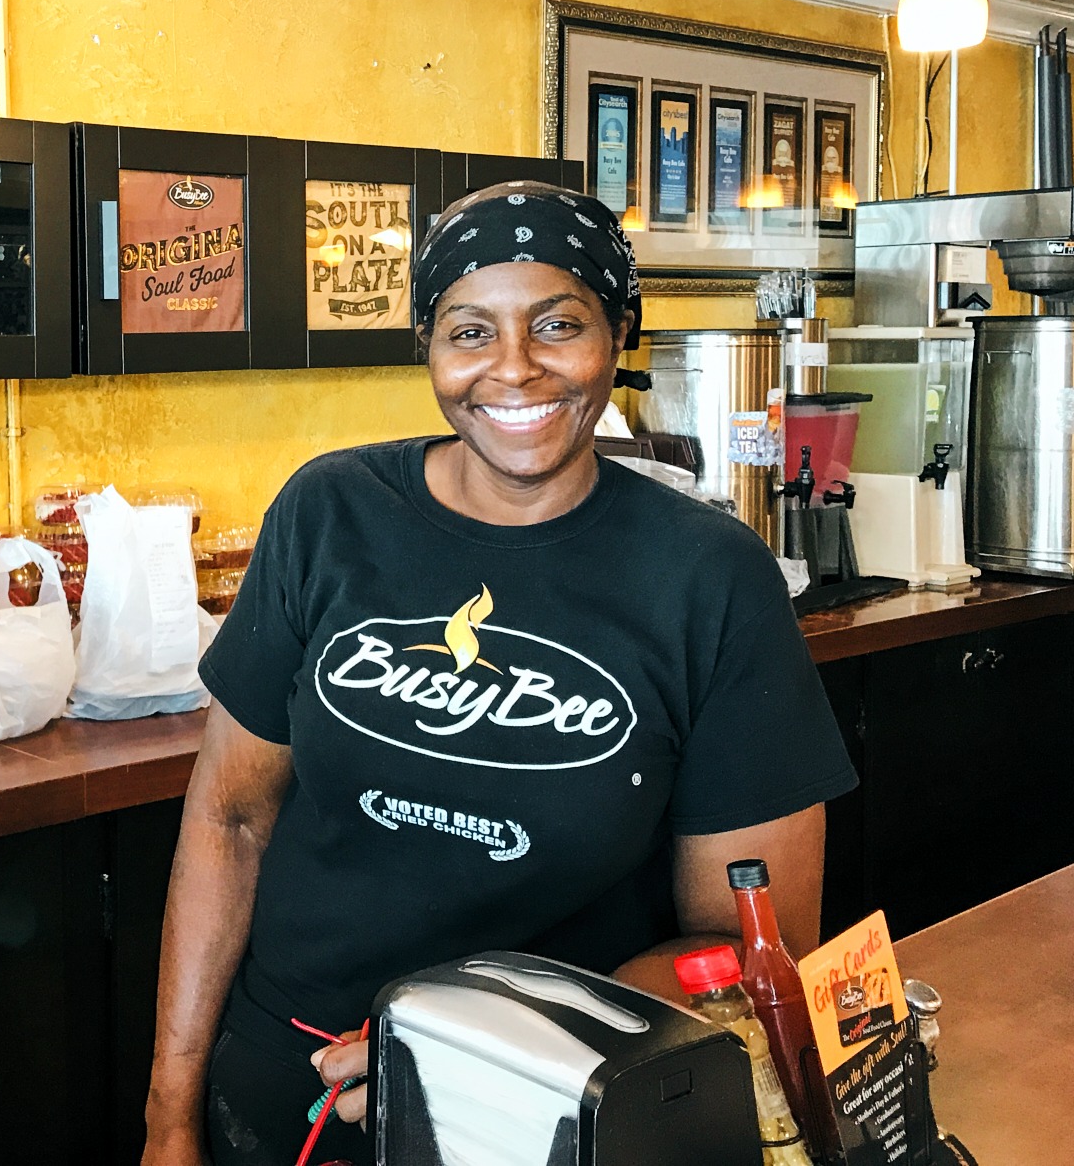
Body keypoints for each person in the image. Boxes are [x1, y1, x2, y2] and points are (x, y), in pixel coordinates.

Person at [140, 183, 858, 1166]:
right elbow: (227, 820)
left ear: (616, 336)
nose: (512, 369)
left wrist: (453, 1053)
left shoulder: (705, 577)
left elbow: (746, 949)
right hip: (281, 1088)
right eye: (467, 331)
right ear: (428, 349)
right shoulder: (330, 515)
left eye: (557, 323)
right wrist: (167, 1119)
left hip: (543, 1119)